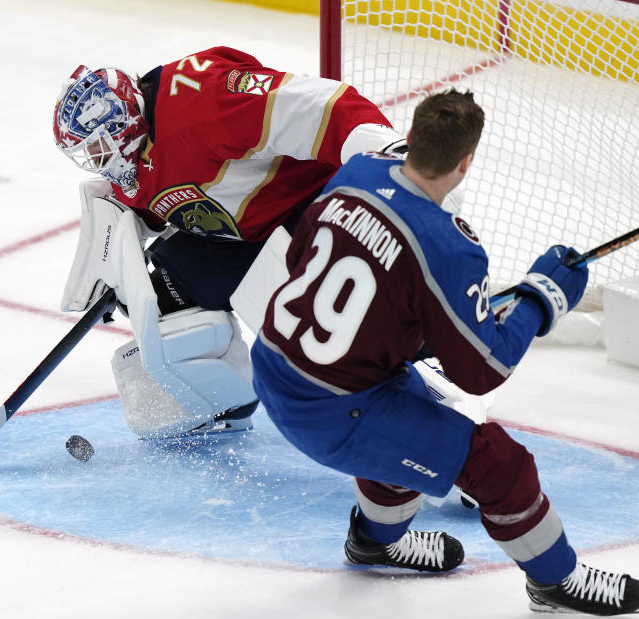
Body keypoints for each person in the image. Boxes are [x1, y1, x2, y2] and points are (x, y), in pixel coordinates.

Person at [250, 89, 639, 615]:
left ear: (409, 139)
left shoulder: (358, 172)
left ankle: (374, 542)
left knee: (411, 421)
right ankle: (555, 581)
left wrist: (403, 334)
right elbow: (484, 367)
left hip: (275, 364)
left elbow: (304, 258)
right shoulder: (448, 246)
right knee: (498, 465)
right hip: (328, 410)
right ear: (465, 163)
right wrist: (541, 299)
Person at [50, 47, 407, 440]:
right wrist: (109, 267)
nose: (98, 159)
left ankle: (421, 388)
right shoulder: (130, 159)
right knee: (162, 299)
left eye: (99, 145)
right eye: (89, 152)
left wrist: (383, 151)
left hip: (311, 204)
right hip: (240, 233)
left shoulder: (202, 98)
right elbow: (157, 207)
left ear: (123, 124)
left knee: (327, 328)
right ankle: (221, 405)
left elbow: (313, 107)